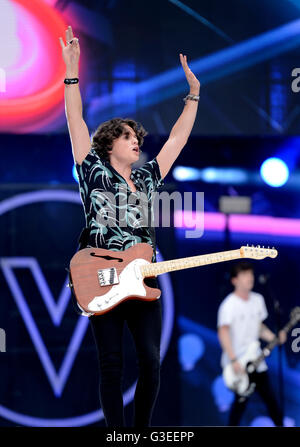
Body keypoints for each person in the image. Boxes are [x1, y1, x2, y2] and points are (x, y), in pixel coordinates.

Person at [59, 25, 200, 427]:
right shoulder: (92, 168)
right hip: (102, 274)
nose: (135, 140)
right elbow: (75, 119)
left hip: (142, 276)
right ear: (108, 144)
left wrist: (193, 95)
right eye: (125, 136)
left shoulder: (149, 177)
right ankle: (117, 436)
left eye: (136, 136)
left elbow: (176, 140)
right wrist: (72, 72)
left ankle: (140, 433)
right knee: (111, 364)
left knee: (151, 361)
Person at [217, 261, 287, 426]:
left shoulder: (258, 300)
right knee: (240, 406)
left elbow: (259, 327)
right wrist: (233, 359)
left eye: (251, 274)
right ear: (234, 280)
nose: (250, 278)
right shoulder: (229, 305)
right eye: (244, 275)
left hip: (256, 361)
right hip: (238, 365)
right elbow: (223, 332)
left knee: (271, 401)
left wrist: (274, 338)